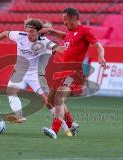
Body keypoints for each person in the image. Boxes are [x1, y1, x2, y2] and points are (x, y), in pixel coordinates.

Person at [0, 18, 73, 137]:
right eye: (28, 31)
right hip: (20, 72)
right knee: (11, 91)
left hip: (34, 75)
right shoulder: (20, 35)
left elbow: (59, 49)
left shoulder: (44, 41)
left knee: (48, 102)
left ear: (39, 32)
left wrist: (69, 48)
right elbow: (4, 34)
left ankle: (66, 128)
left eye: (32, 31)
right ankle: (19, 116)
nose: (29, 34)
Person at [39, 7, 106, 139]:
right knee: (49, 101)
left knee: (59, 98)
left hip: (73, 73)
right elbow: (66, 36)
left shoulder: (85, 31)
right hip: (62, 72)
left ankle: (54, 130)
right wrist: (51, 31)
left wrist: (101, 56)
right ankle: (72, 124)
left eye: (66, 19)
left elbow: (98, 45)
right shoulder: (71, 31)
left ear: (74, 18)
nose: (64, 22)